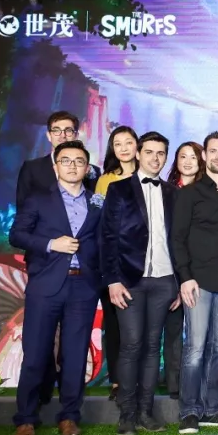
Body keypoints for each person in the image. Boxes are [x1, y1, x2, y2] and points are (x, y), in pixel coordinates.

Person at [9, 141, 102, 435]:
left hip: (83, 286)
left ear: (87, 168)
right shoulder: (38, 198)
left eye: (79, 161)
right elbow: (17, 235)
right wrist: (51, 244)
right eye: (66, 160)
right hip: (45, 285)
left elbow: (105, 241)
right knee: (35, 353)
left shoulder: (97, 201)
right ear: (55, 166)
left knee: (75, 355)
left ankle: (70, 416)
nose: (72, 165)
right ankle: (26, 418)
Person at [101, 131, 179, 435]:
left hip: (164, 280)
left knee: (152, 346)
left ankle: (146, 412)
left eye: (161, 153)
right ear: (138, 154)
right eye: (149, 152)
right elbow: (107, 238)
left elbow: (179, 240)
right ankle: (127, 414)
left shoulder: (173, 193)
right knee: (132, 344)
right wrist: (112, 281)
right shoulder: (119, 189)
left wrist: (179, 282)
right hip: (129, 280)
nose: (155, 158)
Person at [172, 131, 218, 432]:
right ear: (204, 155)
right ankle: (189, 411)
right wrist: (185, 277)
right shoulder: (189, 193)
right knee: (195, 348)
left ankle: (212, 409)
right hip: (197, 281)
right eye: (213, 151)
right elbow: (177, 239)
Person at [94, 126, 139, 403]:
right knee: (114, 325)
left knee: (138, 328)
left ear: (137, 146)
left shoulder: (148, 176)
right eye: (118, 143)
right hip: (112, 263)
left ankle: (138, 379)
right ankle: (117, 381)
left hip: (142, 265)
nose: (123, 148)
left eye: (128, 142)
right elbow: (101, 225)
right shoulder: (105, 180)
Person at [162, 141, 204, 399]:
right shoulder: (166, 191)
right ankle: (174, 383)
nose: (188, 162)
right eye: (183, 156)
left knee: (200, 333)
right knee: (174, 330)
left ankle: (199, 382)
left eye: (193, 157)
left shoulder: (207, 191)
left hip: (199, 268)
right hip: (168, 268)